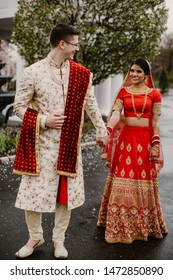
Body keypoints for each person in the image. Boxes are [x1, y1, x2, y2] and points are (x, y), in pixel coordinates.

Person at [13, 23, 108, 259]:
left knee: (63, 197)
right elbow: (18, 108)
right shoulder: (33, 72)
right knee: (33, 195)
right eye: (74, 43)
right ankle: (35, 237)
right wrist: (44, 120)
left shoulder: (81, 74)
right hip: (40, 146)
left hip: (68, 146)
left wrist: (101, 129)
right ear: (62, 44)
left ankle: (59, 240)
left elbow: (91, 104)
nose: (77, 48)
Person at [97, 58, 168, 244]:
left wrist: (155, 144)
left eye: (138, 71)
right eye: (132, 71)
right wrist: (107, 131)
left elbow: (155, 123)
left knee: (140, 182)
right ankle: (118, 225)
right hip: (125, 141)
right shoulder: (124, 92)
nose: (134, 74)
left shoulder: (154, 94)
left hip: (144, 141)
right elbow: (114, 114)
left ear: (146, 74)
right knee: (122, 181)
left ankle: (142, 225)